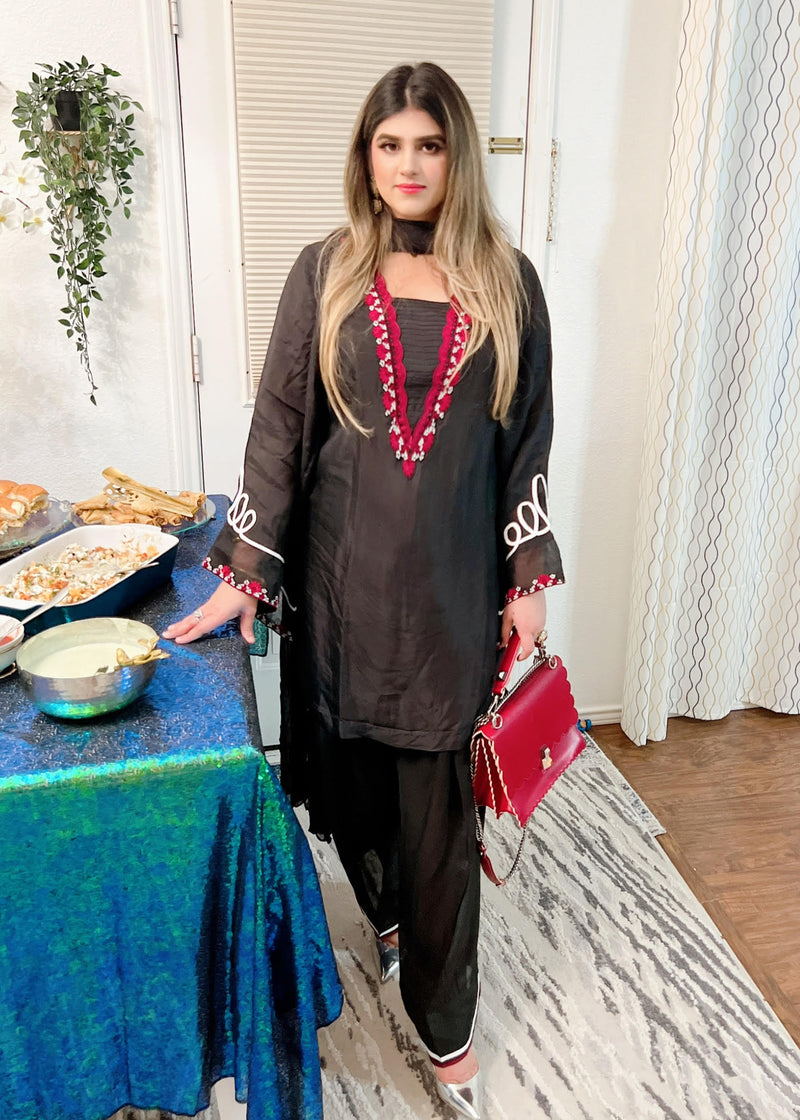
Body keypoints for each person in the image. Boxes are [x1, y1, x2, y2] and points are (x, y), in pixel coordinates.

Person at [164, 61, 564, 1120]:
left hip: (448, 595)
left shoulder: (509, 282)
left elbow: (525, 443)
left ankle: (444, 1021)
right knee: (353, 787)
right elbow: (279, 426)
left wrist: (526, 572)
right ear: (366, 156)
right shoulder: (326, 271)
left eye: (428, 145)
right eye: (390, 145)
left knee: (438, 817)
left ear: (455, 155)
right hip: (341, 590)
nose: (409, 165)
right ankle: (382, 917)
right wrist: (246, 573)